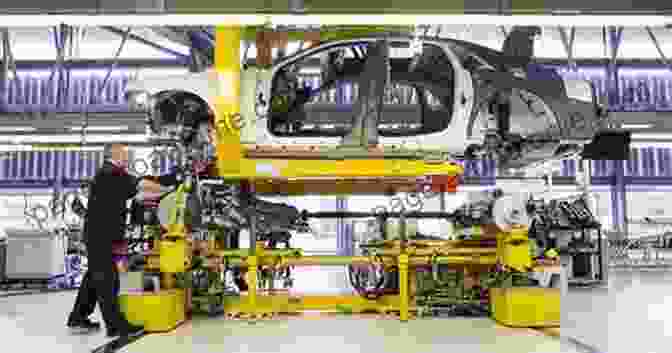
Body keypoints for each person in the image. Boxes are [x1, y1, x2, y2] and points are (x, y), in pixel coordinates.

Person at [67, 144, 163, 337]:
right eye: (124, 153)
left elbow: (136, 193)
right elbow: (141, 185)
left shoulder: (109, 174)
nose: (127, 156)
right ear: (115, 154)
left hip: (98, 235)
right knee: (107, 280)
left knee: (94, 277)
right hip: (100, 236)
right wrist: (169, 190)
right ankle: (116, 326)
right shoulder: (112, 172)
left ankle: (78, 318)